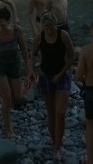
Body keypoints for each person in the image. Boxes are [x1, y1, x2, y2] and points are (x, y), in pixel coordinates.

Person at [0, 6, 33, 138]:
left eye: (2, 22)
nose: (0, 24)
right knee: (6, 97)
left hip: (14, 65)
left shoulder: (17, 30)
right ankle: (8, 129)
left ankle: (10, 105)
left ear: (8, 20)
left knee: (17, 97)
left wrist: (28, 67)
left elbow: (23, 49)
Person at [34, 11, 73, 161]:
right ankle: (54, 142)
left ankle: (58, 145)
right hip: (45, 75)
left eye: (51, 28)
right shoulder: (40, 37)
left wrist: (60, 74)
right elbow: (34, 54)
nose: (49, 31)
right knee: (51, 112)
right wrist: (31, 70)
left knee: (60, 112)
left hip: (62, 75)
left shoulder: (63, 36)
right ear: (43, 27)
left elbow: (70, 58)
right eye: (46, 28)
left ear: (55, 25)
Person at [74, 21, 93, 164]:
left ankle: (91, 160)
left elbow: (78, 76)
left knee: (91, 126)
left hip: (91, 92)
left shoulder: (86, 50)